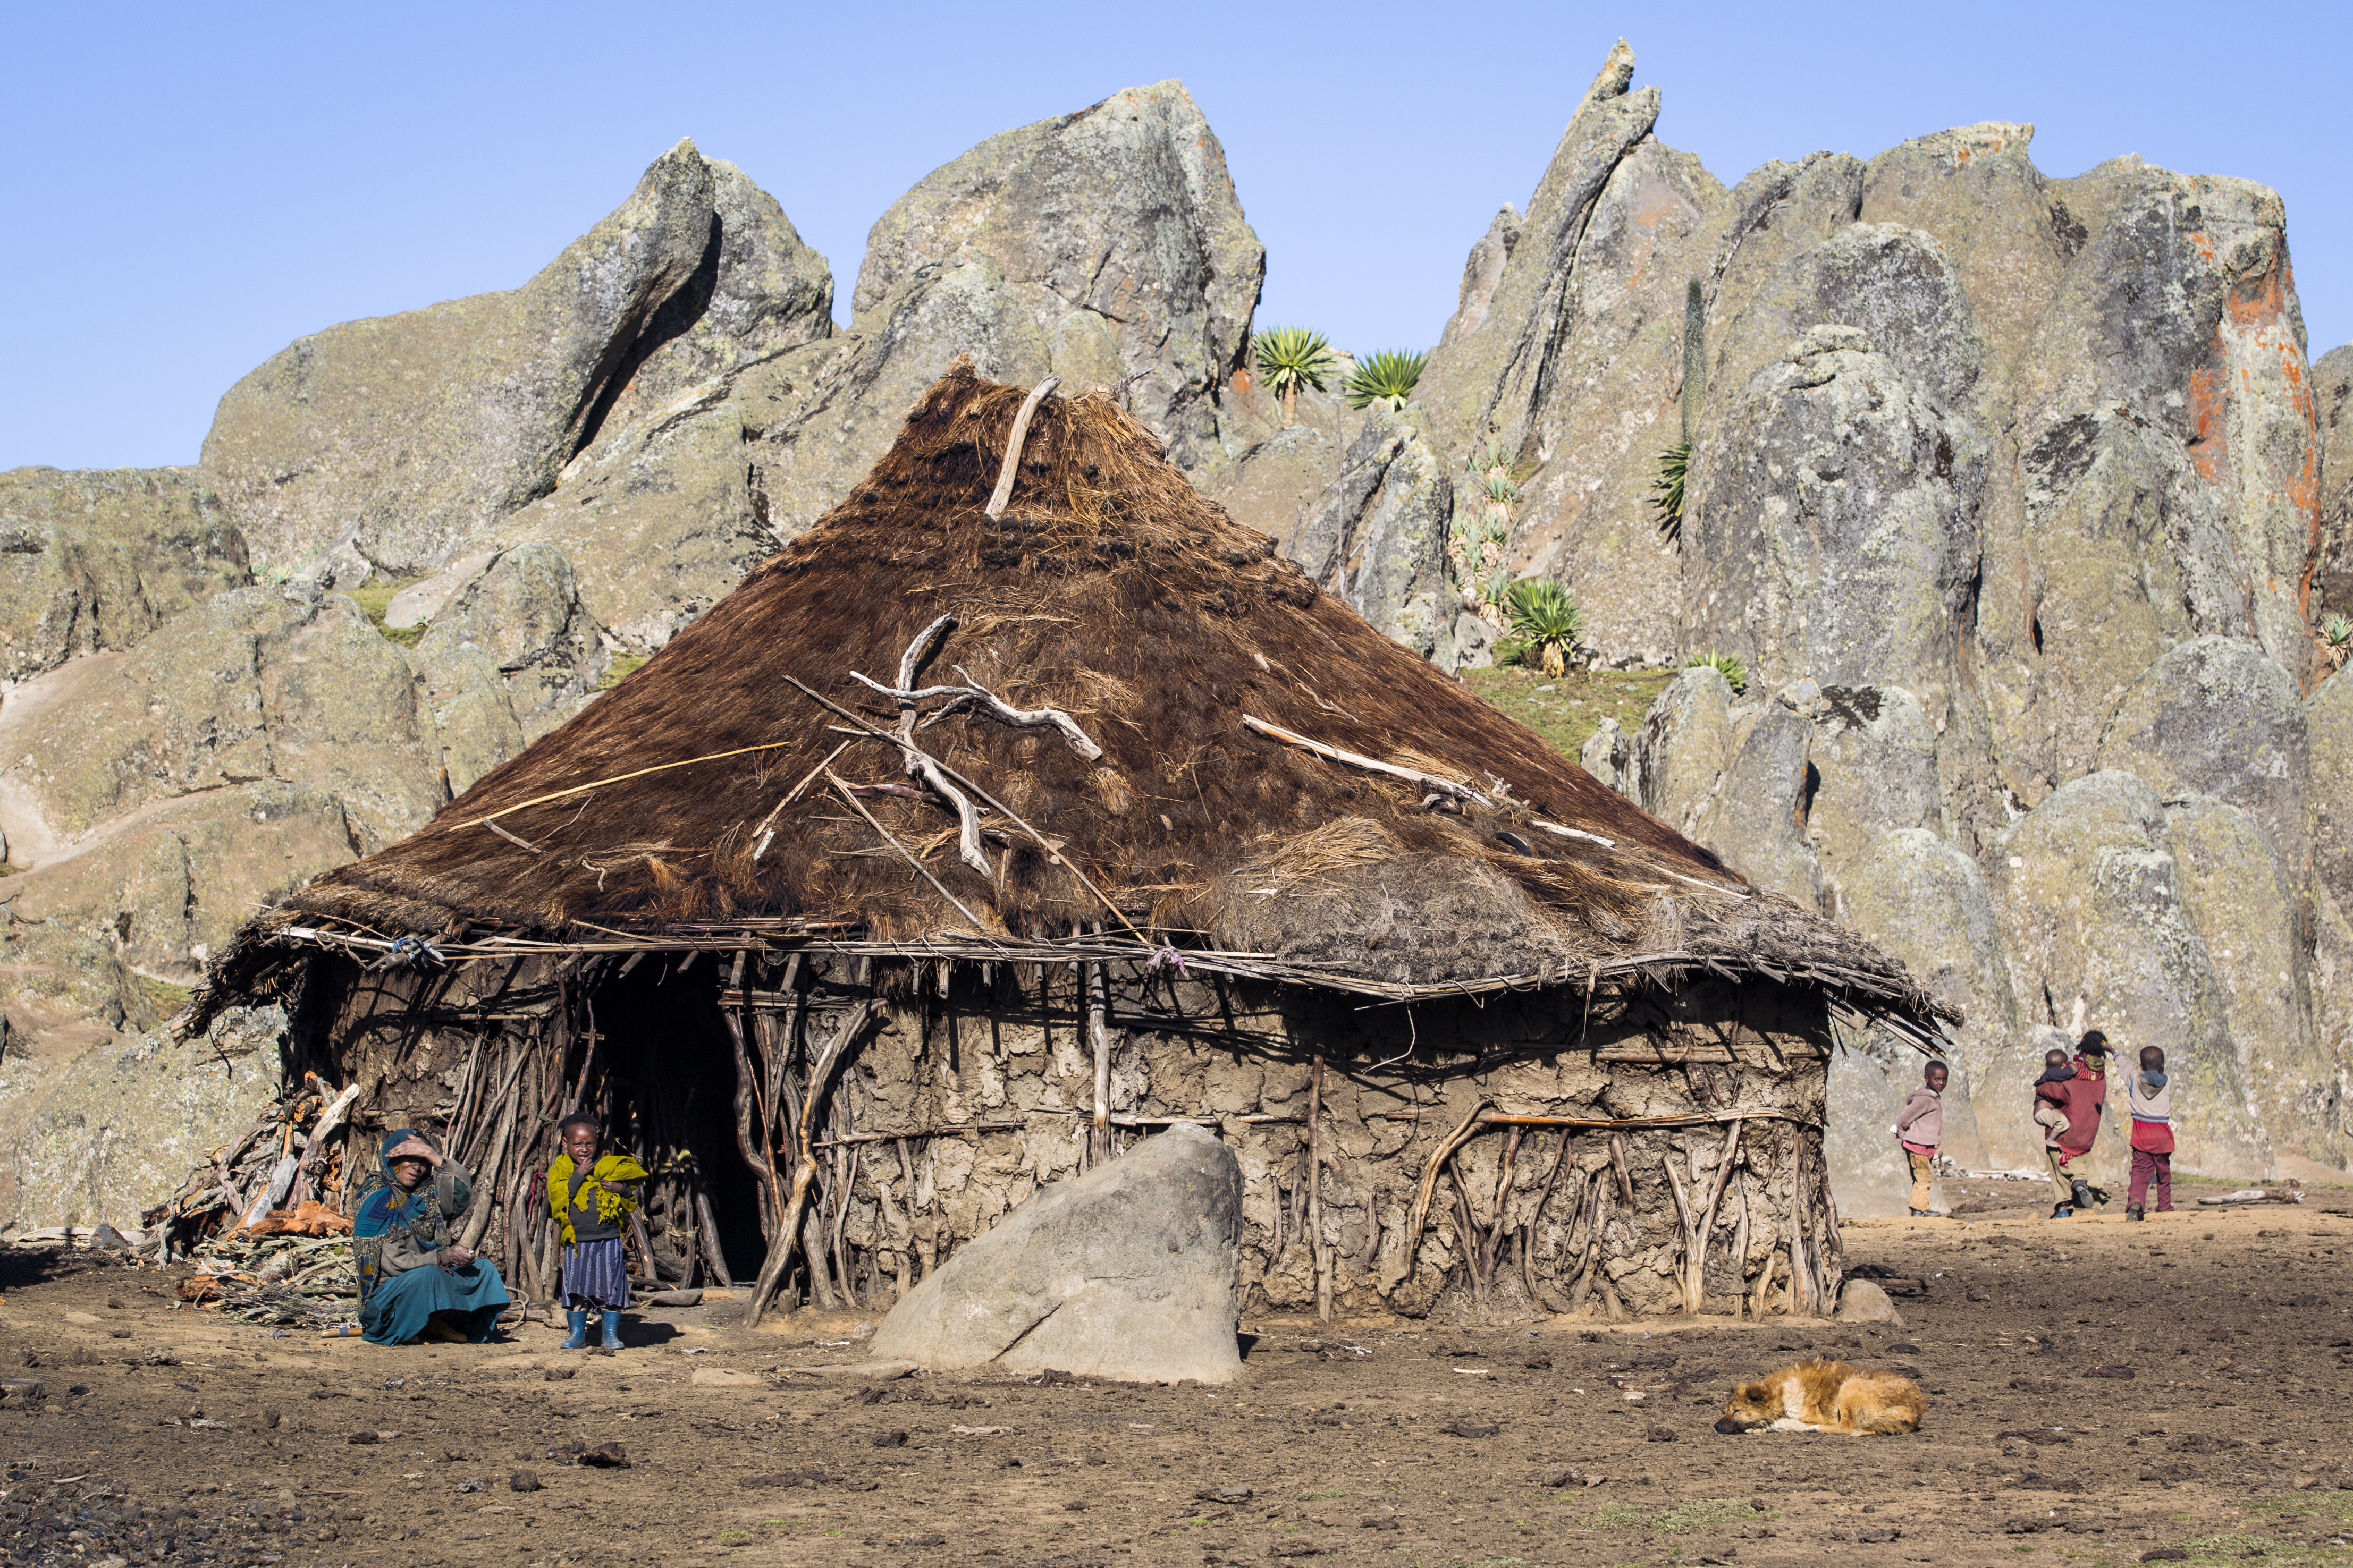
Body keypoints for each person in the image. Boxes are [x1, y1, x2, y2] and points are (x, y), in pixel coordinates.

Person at [350, 1129, 511, 1345]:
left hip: (429, 1274)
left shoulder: (427, 1195)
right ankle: (411, 1325)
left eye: (423, 1160)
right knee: (427, 1276)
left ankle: (439, 1323)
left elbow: (460, 1195)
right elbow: (395, 1263)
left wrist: (435, 1157)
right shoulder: (378, 1196)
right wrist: (445, 1257)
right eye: (410, 1158)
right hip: (389, 1299)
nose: (417, 1167)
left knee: (483, 1270)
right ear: (393, 1157)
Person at [546, 1114, 646, 1350]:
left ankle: (610, 1336)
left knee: (611, 1287)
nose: (584, 1149)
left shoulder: (607, 1167)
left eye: (589, 1144)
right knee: (578, 1288)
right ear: (565, 1143)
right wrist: (579, 1175)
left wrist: (620, 1188)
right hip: (578, 1241)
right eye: (577, 1144)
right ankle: (577, 1336)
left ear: (597, 1142)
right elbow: (559, 1200)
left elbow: (630, 1198)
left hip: (608, 1239)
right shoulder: (560, 1170)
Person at [2033, 1031, 2111, 1219]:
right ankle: (2079, 1183)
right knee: (2077, 1166)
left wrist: (2040, 1086)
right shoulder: (2101, 1076)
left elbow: (2057, 1093)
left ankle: (2062, 1210)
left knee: (2058, 1169)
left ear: (2082, 1048)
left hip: (2067, 1133)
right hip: (2087, 1136)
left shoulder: (2072, 1072)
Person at [2125, 1045, 2174, 1220]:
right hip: (2163, 1136)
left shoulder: (2134, 1079)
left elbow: (2124, 1067)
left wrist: (2114, 1053)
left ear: (2141, 1066)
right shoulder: (2167, 1081)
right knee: (2163, 1174)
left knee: (2140, 1172)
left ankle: (2136, 1201)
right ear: (2162, 1066)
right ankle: (2165, 1205)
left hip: (2142, 1135)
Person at [1894, 1060, 1948, 1217]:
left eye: (1944, 1079)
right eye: (1937, 1079)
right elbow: (1904, 1117)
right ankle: (1921, 1210)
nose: (1941, 1083)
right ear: (1927, 1079)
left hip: (1923, 1146)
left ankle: (1916, 1211)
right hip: (1917, 1145)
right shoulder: (1924, 1099)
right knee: (1924, 1176)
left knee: (1919, 1177)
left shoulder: (1933, 1098)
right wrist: (1902, 1133)